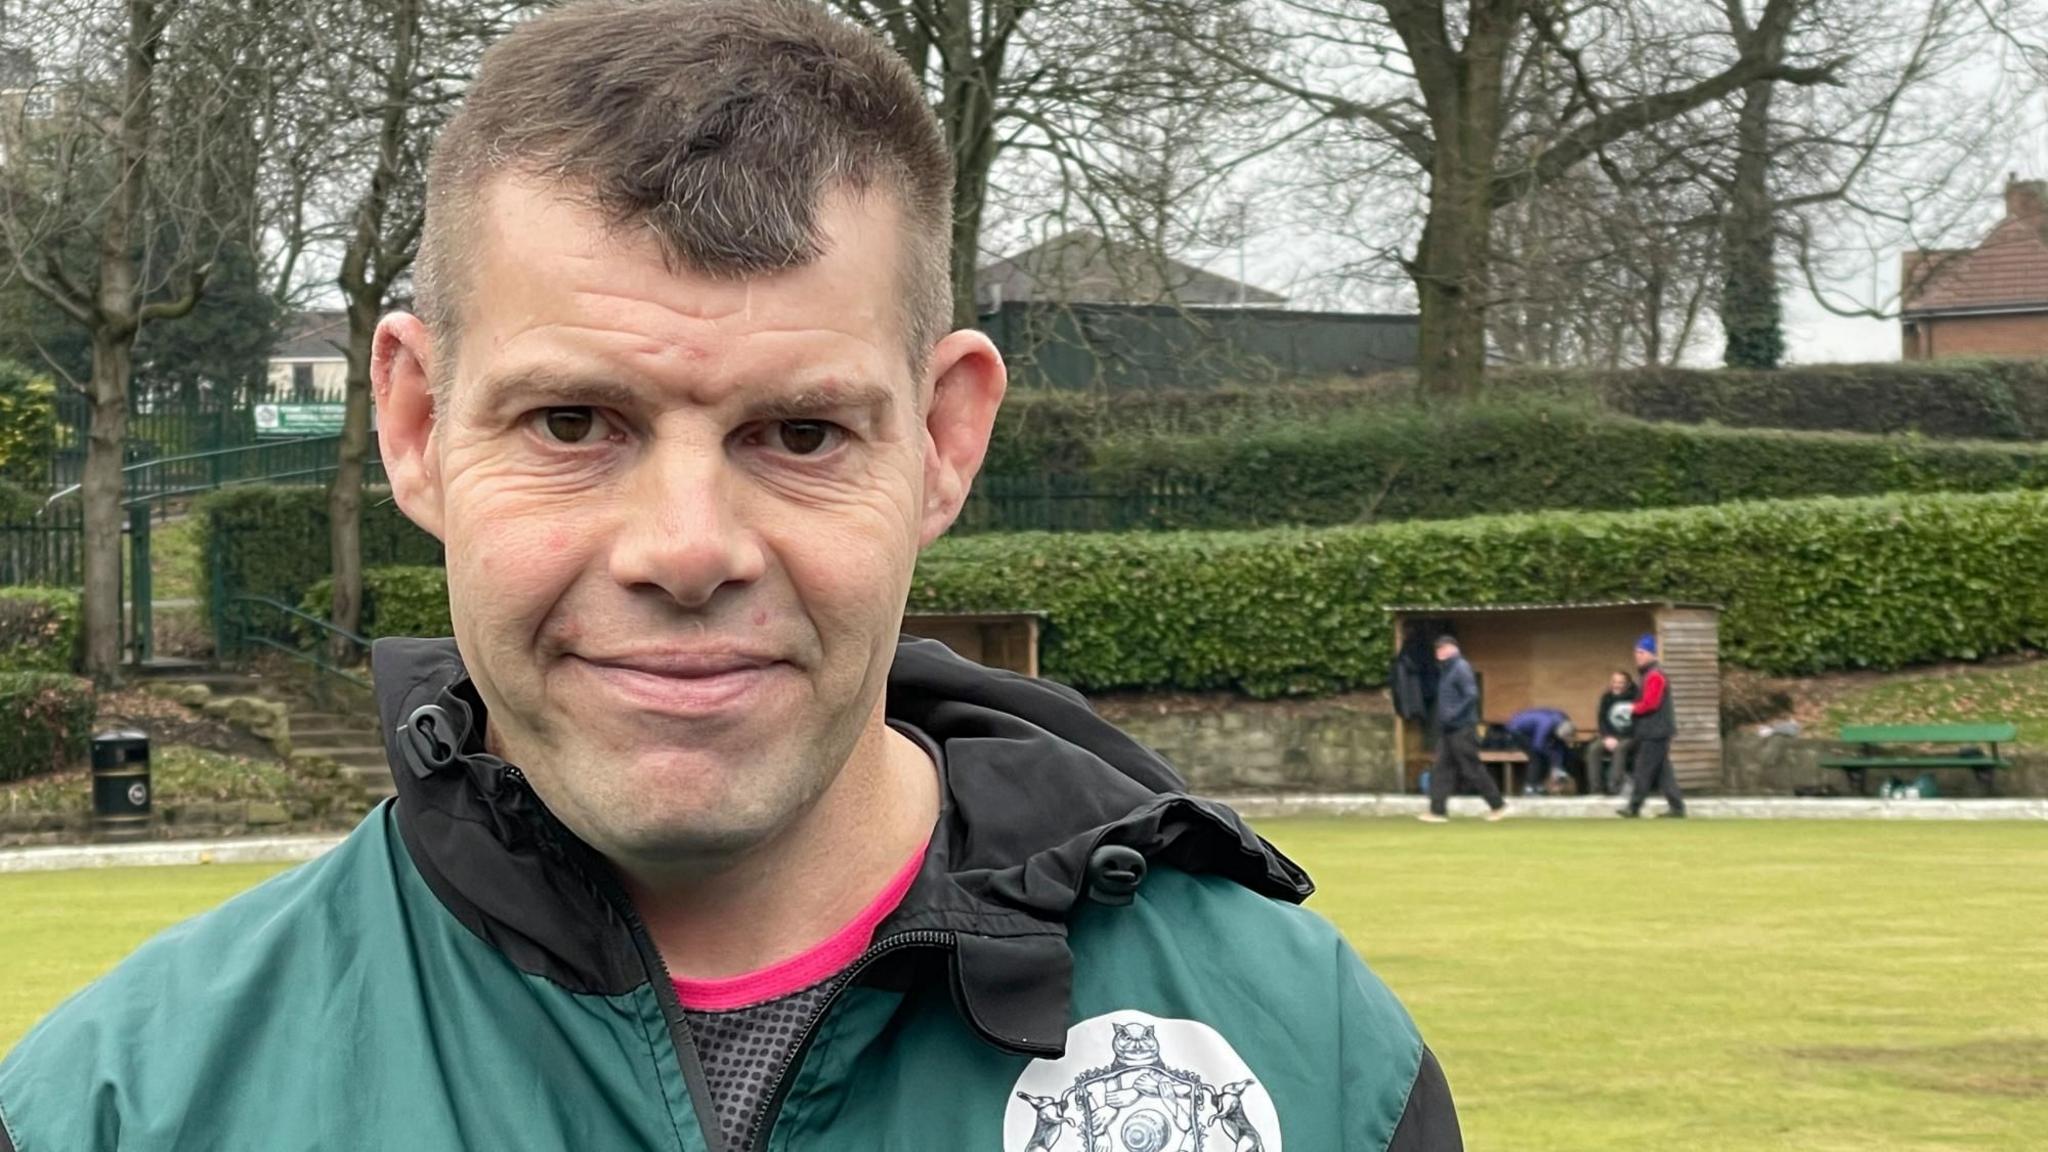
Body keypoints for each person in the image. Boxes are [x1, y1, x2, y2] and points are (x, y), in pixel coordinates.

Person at [0, 4, 1462, 1150]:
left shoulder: (1303, 1065)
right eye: (574, 422)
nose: (687, 550)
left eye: (801, 431)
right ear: (414, 423)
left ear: (947, 439)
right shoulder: (120, 1111)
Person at [1421, 635, 1509, 824]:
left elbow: (1471, 695)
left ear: (1453, 649)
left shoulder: (1460, 667)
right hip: (1448, 729)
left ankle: (1498, 805)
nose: (1439, 652)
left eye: (1443, 648)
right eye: (1437, 649)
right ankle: (1437, 811)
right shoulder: (1446, 670)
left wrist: (1453, 714)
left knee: (1472, 768)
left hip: (1462, 728)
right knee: (1441, 769)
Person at [1619, 635, 1687, 819]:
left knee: (1643, 769)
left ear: (1651, 654)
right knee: (1663, 771)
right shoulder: (1651, 674)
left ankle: (1633, 807)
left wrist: (1631, 708)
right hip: (1657, 729)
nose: (1637, 656)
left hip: (1655, 730)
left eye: (1641, 652)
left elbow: (1651, 704)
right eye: (1636, 652)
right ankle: (1677, 807)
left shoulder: (1654, 675)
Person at [1502, 707, 1578, 795]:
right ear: (1558, 732)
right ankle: (1529, 788)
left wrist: (1558, 766)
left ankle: (1539, 786)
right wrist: (1552, 757)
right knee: (1536, 756)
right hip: (1515, 731)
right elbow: (1537, 745)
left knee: (1548, 754)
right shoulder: (1546, 724)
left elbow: (1559, 747)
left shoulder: (1563, 722)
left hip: (1532, 733)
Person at [1588, 671, 1638, 796]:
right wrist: (1607, 737)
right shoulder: (1607, 697)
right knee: (1593, 749)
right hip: (1611, 736)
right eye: (1615, 682)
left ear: (1628, 683)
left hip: (1631, 736)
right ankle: (1596, 789)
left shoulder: (1636, 697)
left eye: (1621, 682)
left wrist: (1621, 737)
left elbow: (1639, 722)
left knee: (1620, 749)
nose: (1617, 685)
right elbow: (1602, 720)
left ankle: (1614, 787)